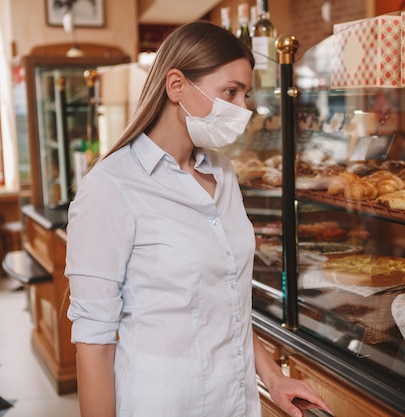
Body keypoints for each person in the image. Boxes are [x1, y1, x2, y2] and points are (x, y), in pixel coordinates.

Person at [65, 21, 331, 417]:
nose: (243, 109)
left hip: (235, 403)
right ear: (176, 86)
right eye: (230, 92)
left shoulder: (223, 173)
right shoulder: (110, 188)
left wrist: (273, 378)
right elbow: (94, 344)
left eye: (246, 94)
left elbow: (230, 304)